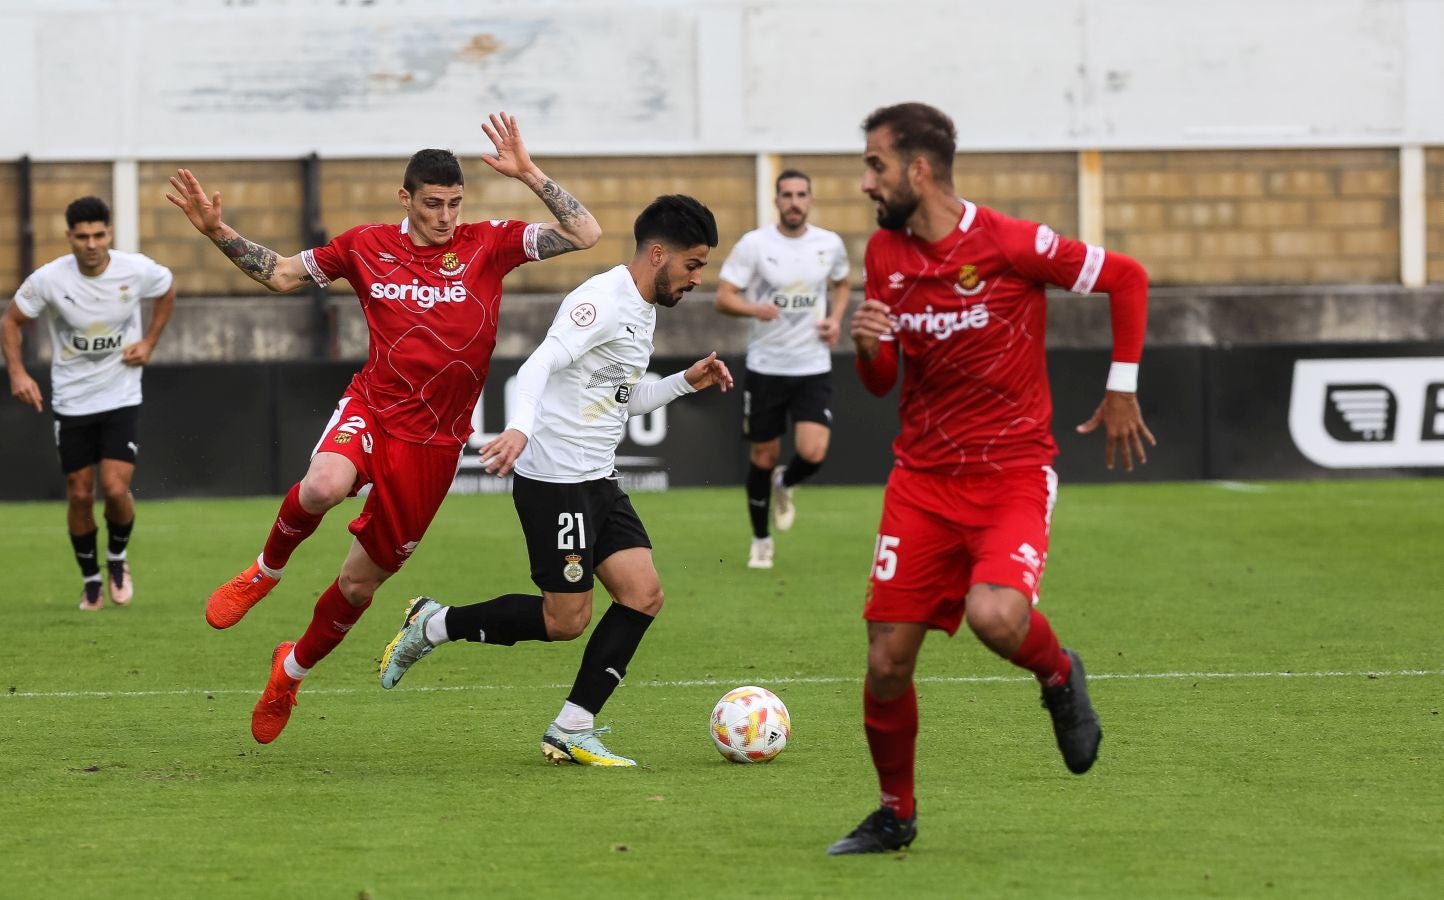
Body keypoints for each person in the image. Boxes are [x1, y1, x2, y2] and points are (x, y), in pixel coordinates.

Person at [164, 112, 601, 744]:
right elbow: (283, 273)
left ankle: (289, 672)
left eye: (454, 203)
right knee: (321, 484)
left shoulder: (489, 243)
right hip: (374, 406)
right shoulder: (365, 245)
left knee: (356, 583)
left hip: (433, 447)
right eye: (432, 204)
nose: (446, 216)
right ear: (406, 198)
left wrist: (528, 172)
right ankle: (264, 571)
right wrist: (216, 231)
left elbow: (585, 233)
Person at [828, 103, 1157, 855]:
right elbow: (883, 384)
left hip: (1010, 474)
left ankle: (1056, 674)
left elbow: (1128, 278)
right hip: (921, 482)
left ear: (918, 169)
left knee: (996, 618)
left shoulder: (1010, 244)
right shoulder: (884, 254)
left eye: (875, 165)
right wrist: (869, 347)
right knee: (885, 662)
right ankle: (895, 814)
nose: (864, 182)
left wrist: (1123, 387)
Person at [377, 195, 731, 767]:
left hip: (598, 479)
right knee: (564, 621)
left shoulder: (643, 310)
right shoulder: (600, 300)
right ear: (659, 254)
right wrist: (518, 429)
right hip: (556, 481)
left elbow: (622, 400)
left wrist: (684, 383)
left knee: (644, 595)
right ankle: (435, 623)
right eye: (693, 265)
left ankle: (572, 727)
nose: (696, 278)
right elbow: (535, 366)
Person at [3, 196, 176, 611]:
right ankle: (91, 580)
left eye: (99, 234)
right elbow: (11, 320)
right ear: (69, 238)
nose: (91, 243)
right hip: (72, 400)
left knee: (115, 489)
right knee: (80, 494)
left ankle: (117, 559)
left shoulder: (135, 270)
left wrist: (149, 342)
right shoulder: (48, 280)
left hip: (121, 395)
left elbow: (167, 290)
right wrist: (18, 373)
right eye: (82, 236)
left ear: (109, 234)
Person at [714, 170, 851, 570]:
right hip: (767, 367)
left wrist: (836, 318)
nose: (794, 201)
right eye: (787, 194)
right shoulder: (755, 245)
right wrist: (754, 308)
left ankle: (785, 482)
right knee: (763, 455)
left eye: (801, 194)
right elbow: (723, 298)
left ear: (810, 199)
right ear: (777, 200)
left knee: (813, 452)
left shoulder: (829, 244)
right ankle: (760, 540)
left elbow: (842, 284)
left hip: (813, 365)